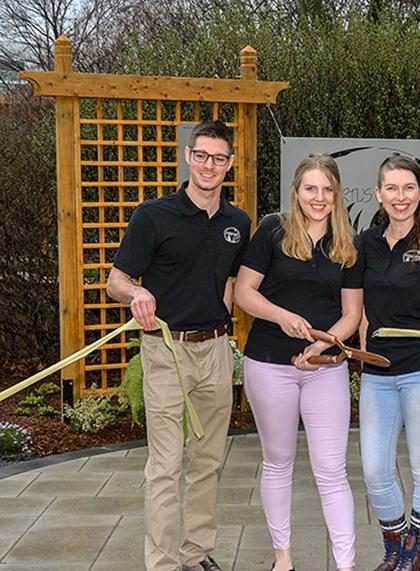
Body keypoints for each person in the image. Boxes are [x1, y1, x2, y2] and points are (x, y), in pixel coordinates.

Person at [107, 120, 251, 571]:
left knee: (209, 460)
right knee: (166, 465)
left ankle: (197, 552)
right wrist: (137, 294)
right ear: (188, 158)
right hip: (166, 350)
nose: (210, 165)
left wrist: (224, 319)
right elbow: (116, 281)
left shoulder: (237, 222)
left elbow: (232, 281)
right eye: (202, 156)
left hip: (215, 351)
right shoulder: (153, 216)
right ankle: (164, 564)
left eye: (219, 158)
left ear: (230, 164)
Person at [233, 154, 361, 571]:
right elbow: (245, 293)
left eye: (327, 189)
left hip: (325, 368)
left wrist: (325, 347)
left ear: (337, 194)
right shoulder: (272, 230)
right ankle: (283, 559)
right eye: (311, 188)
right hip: (269, 363)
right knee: (278, 461)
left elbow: (352, 314)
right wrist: (282, 316)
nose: (319, 198)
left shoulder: (348, 244)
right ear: (297, 191)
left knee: (331, 470)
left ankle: (346, 564)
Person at [359, 154, 420, 571]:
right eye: (392, 189)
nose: (401, 197)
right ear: (379, 194)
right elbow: (361, 311)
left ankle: (412, 557)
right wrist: (360, 357)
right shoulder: (365, 242)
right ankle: (398, 547)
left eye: (409, 188)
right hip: (377, 371)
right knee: (375, 469)